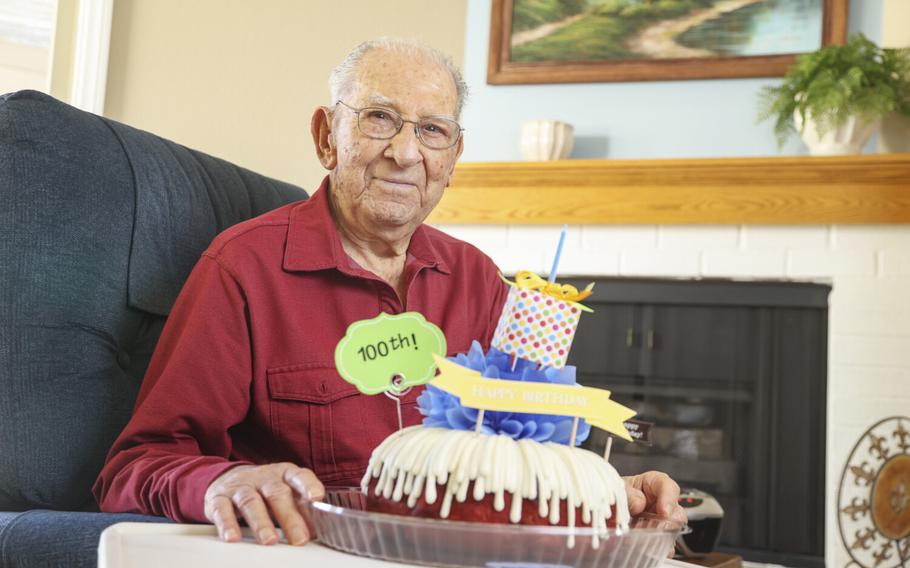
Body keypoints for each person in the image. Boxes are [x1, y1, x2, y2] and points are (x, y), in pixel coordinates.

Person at [94, 38, 686, 547]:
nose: (406, 153)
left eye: (432, 131)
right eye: (379, 118)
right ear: (327, 136)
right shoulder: (241, 269)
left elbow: (511, 456)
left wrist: (604, 494)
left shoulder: (479, 278)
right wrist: (218, 484)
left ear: (452, 159)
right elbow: (134, 466)